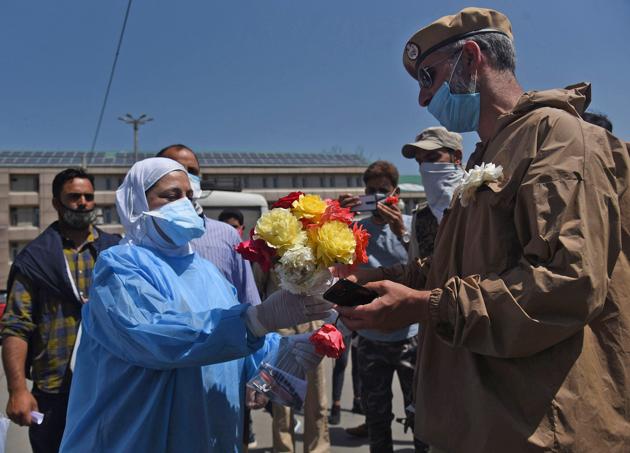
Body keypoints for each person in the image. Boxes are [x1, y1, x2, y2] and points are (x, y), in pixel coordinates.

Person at [337, 7, 630, 452]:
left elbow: (567, 282)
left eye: (428, 79)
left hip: (539, 426)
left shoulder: (558, 137)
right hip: (485, 422)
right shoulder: (490, 153)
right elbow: (463, 264)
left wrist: (427, 307)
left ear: (471, 59)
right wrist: (381, 280)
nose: (422, 99)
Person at [59, 158, 332, 452]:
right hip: (137, 436)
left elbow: (242, 355)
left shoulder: (209, 274)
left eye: (190, 196)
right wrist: (255, 319)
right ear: (138, 202)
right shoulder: (119, 267)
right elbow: (156, 337)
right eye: (172, 195)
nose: (186, 204)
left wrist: (292, 352)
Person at [0, 168, 120, 453]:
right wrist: (17, 391)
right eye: (74, 196)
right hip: (55, 391)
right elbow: (16, 325)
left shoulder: (115, 252)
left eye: (88, 197)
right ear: (56, 202)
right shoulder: (35, 258)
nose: (83, 203)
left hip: (109, 385)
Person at [157, 145, 262, 449]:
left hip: (225, 370)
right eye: (176, 170)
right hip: (171, 373)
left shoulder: (225, 236)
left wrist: (256, 370)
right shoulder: (138, 247)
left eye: (193, 173)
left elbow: (248, 302)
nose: (187, 180)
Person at [338, 161, 426, 452]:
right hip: (370, 338)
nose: (376, 196)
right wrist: (336, 219)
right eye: (371, 190)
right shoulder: (355, 228)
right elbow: (337, 267)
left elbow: (424, 269)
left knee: (420, 415)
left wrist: (400, 229)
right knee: (376, 417)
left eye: (383, 191)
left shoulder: (413, 225)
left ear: (396, 193)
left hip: (409, 337)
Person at [254, 269, 331, 453]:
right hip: (281, 326)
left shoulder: (321, 241)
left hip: (313, 323)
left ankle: (318, 448)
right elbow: (258, 282)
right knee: (281, 402)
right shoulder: (268, 244)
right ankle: (283, 449)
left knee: (317, 398)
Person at [401, 126, 465, 259]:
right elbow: (415, 269)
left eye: (432, 158)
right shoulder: (421, 216)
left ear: (457, 157)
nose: (425, 167)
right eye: (420, 162)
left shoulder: (480, 199)